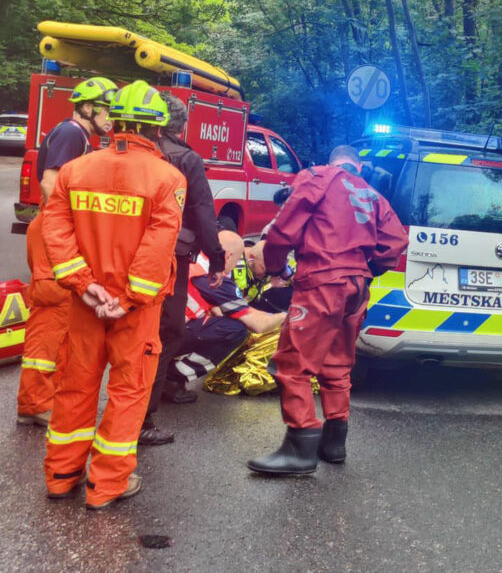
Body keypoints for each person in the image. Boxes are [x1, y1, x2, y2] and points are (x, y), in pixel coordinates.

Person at [41, 80, 185, 510]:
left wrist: (84, 286)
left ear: (113, 121)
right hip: (134, 311)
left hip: (86, 305)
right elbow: (159, 246)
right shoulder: (168, 178)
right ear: (157, 129)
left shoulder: (76, 170)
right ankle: (105, 486)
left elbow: (56, 231)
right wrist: (129, 298)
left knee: (75, 388)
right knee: (128, 392)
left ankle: (60, 476)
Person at [247, 145, 408, 475]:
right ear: (358, 165)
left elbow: (282, 230)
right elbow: (396, 242)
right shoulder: (372, 195)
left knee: (292, 364)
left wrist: (277, 269)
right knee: (336, 364)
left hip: (321, 283)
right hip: (356, 287)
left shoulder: (316, 177)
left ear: (332, 161)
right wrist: (366, 268)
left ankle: (300, 446)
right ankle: (334, 443)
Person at [17, 77, 117, 427]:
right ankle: (34, 403)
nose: (111, 117)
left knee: (62, 318)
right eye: (107, 109)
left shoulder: (77, 135)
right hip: (51, 233)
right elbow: (50, 182)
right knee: (51, 316)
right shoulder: (73, 133)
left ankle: (45, 398)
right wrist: (67, 231)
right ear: (89, 107)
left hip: (51, 231)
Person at [139, 92, 226, 446]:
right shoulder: (186, 159)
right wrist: (216, 258)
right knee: (167, 330)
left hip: (124, 253)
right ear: (181, 124)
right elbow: (202, 212)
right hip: (169, 256)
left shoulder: (131, 153)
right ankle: (144, 413)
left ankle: (154, 394)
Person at [166, 231, 285, 389]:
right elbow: (257, 325)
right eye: (235, 262)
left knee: (222, 318)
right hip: (169, 334)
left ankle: (165, 368)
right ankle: (173, 375)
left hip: (160, 325)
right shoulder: (216, 277)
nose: (232, 269)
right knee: (234, 329)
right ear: (229, 256)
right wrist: (286, 315)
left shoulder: (197, 259)